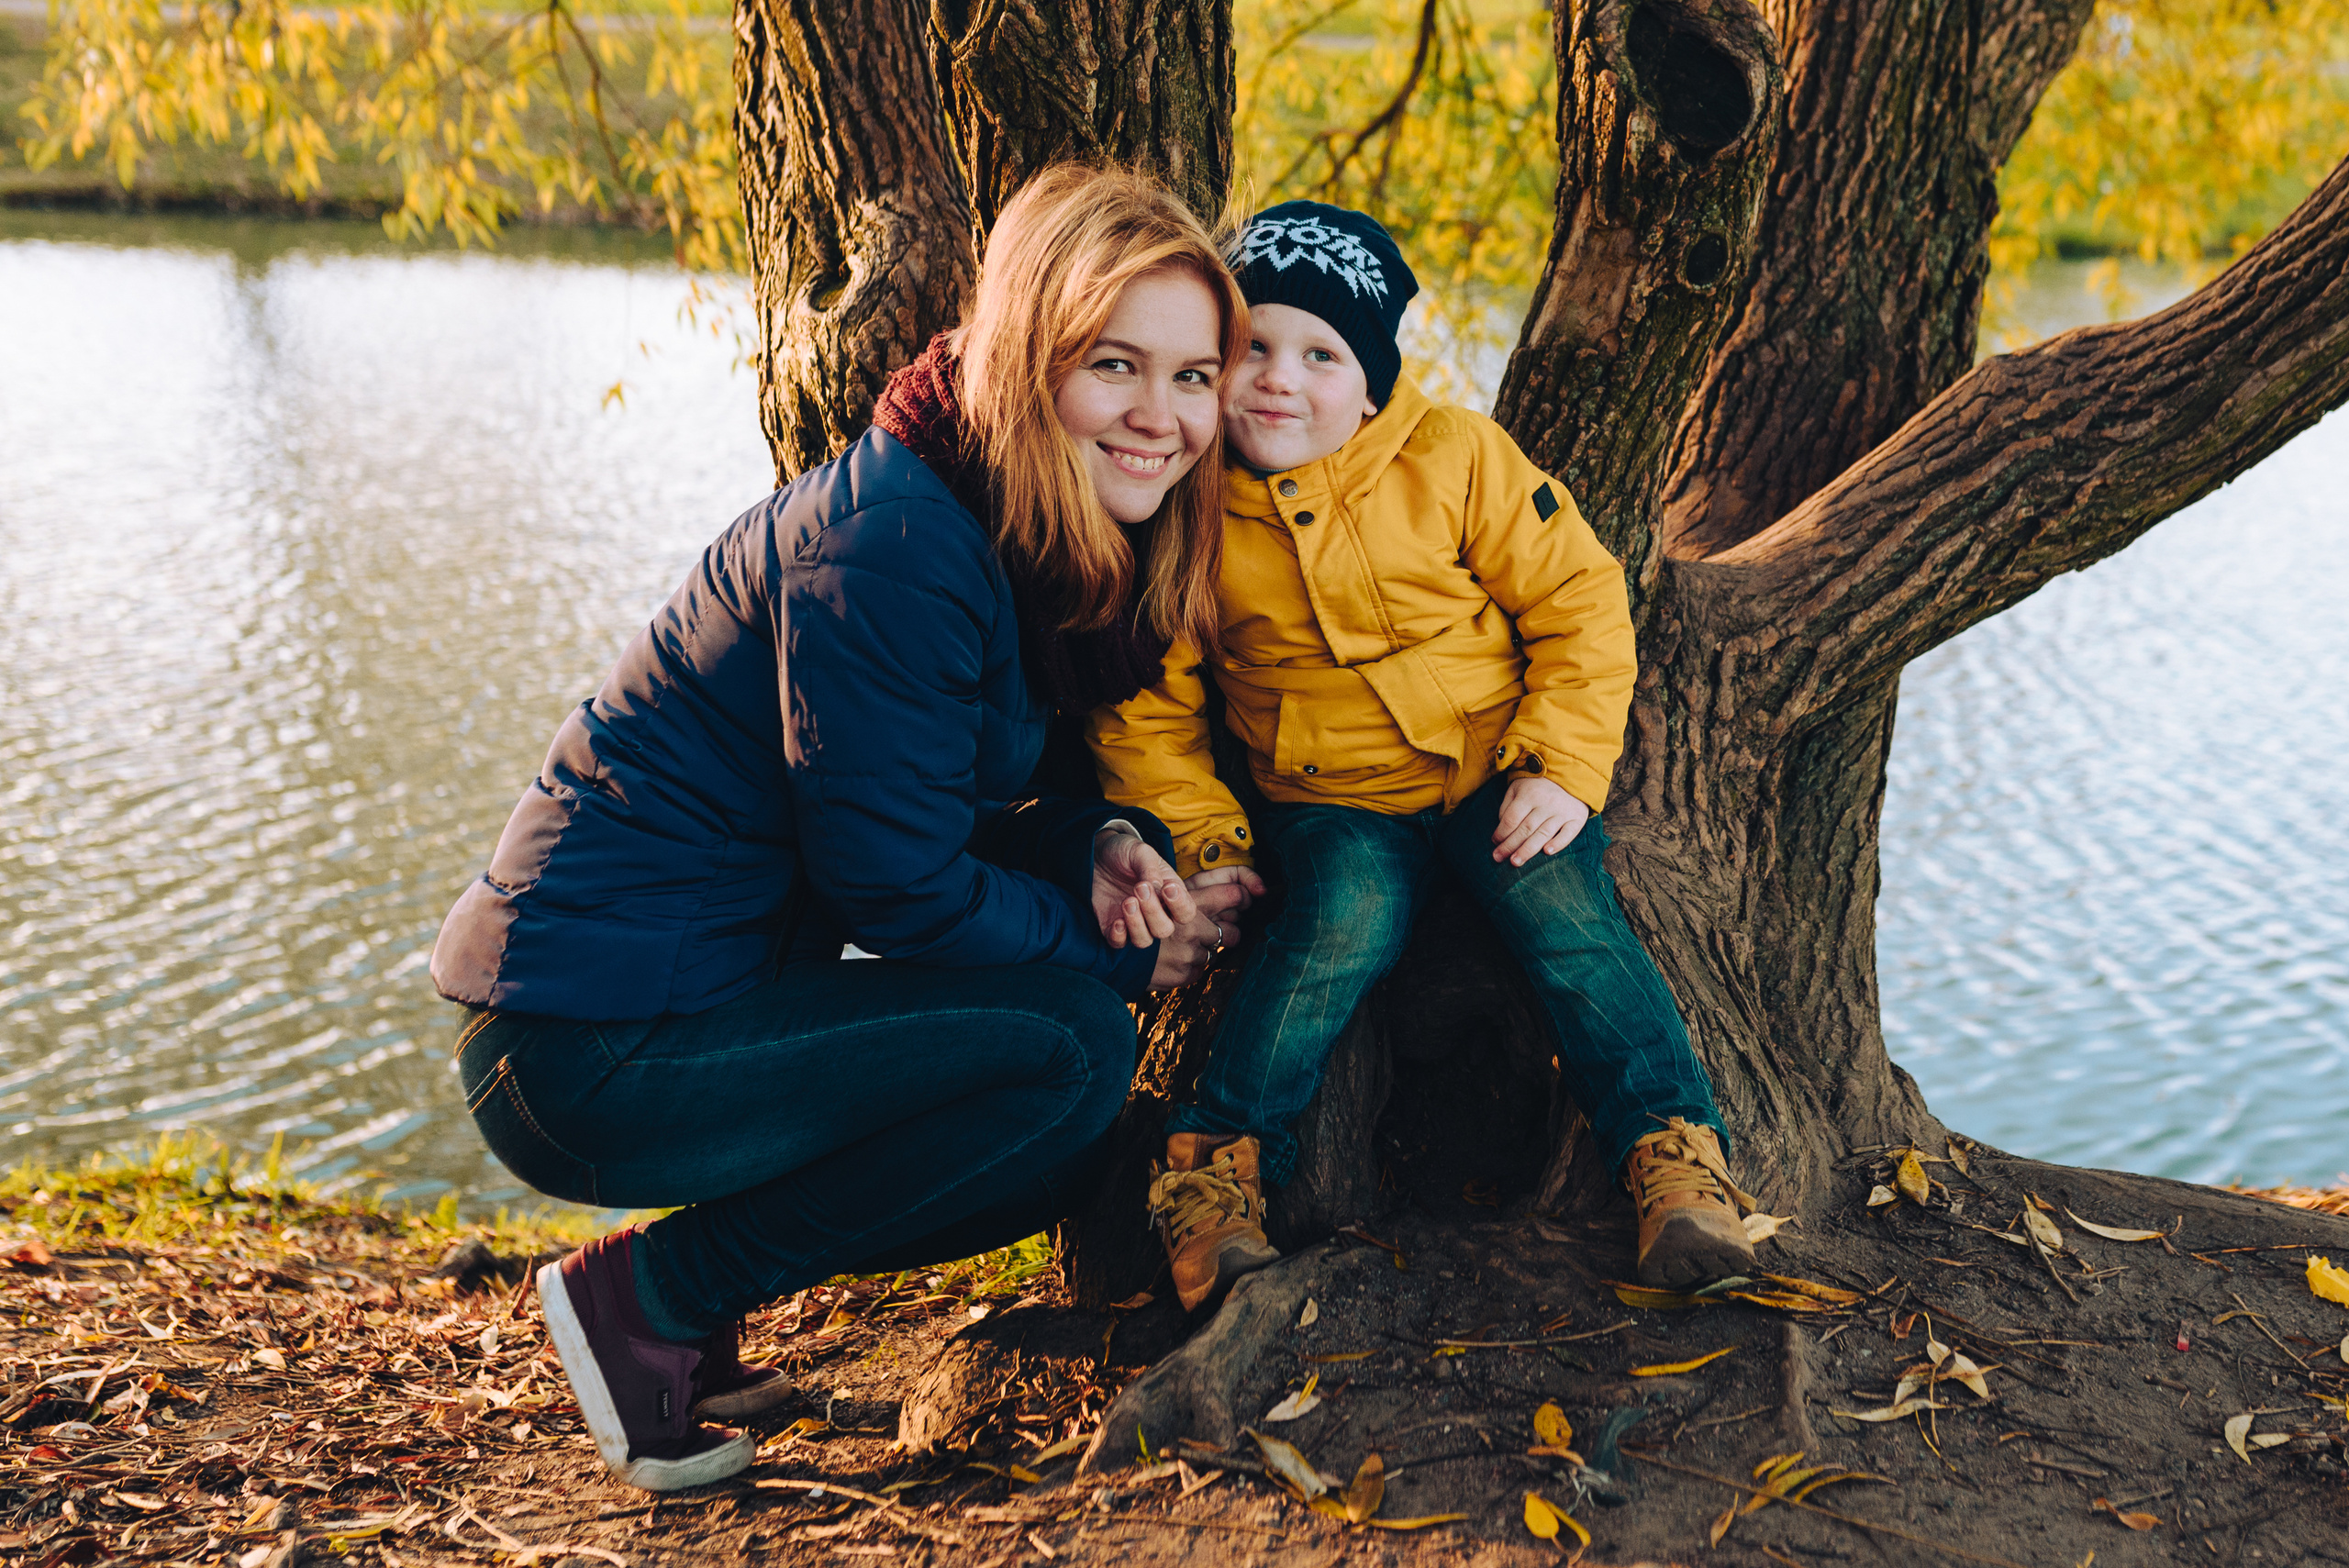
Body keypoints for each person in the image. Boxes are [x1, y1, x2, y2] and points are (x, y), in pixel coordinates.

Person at [429, 165, 1264, 1491]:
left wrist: (1097, 847)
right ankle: (646, 1298)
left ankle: (688, 1316)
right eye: (1116, 365)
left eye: (1193, 375)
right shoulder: (895, 547)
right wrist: (1115, 953)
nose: (1160, 417)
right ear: (1030, 353)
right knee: (1070, 1050)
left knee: (1048, 1133)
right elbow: (900, 887)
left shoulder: (1006, 530)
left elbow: (953, 798)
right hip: (582, 1042)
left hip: (664, 1010)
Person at [1087, 202, 1760, 1313]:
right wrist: (1204, 839)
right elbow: (1146, 711)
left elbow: (1579, 597)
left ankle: (1675, 1160)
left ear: (1373, 383)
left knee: (1566, 916)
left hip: (1500, 764)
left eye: (1320, 354)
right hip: (1329, 797)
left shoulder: (1450, 456)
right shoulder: (1187, 511)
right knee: (1340, 920)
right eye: (1250, 346)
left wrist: (1561, 764)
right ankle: (1208, 1175)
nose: (1276, 379)